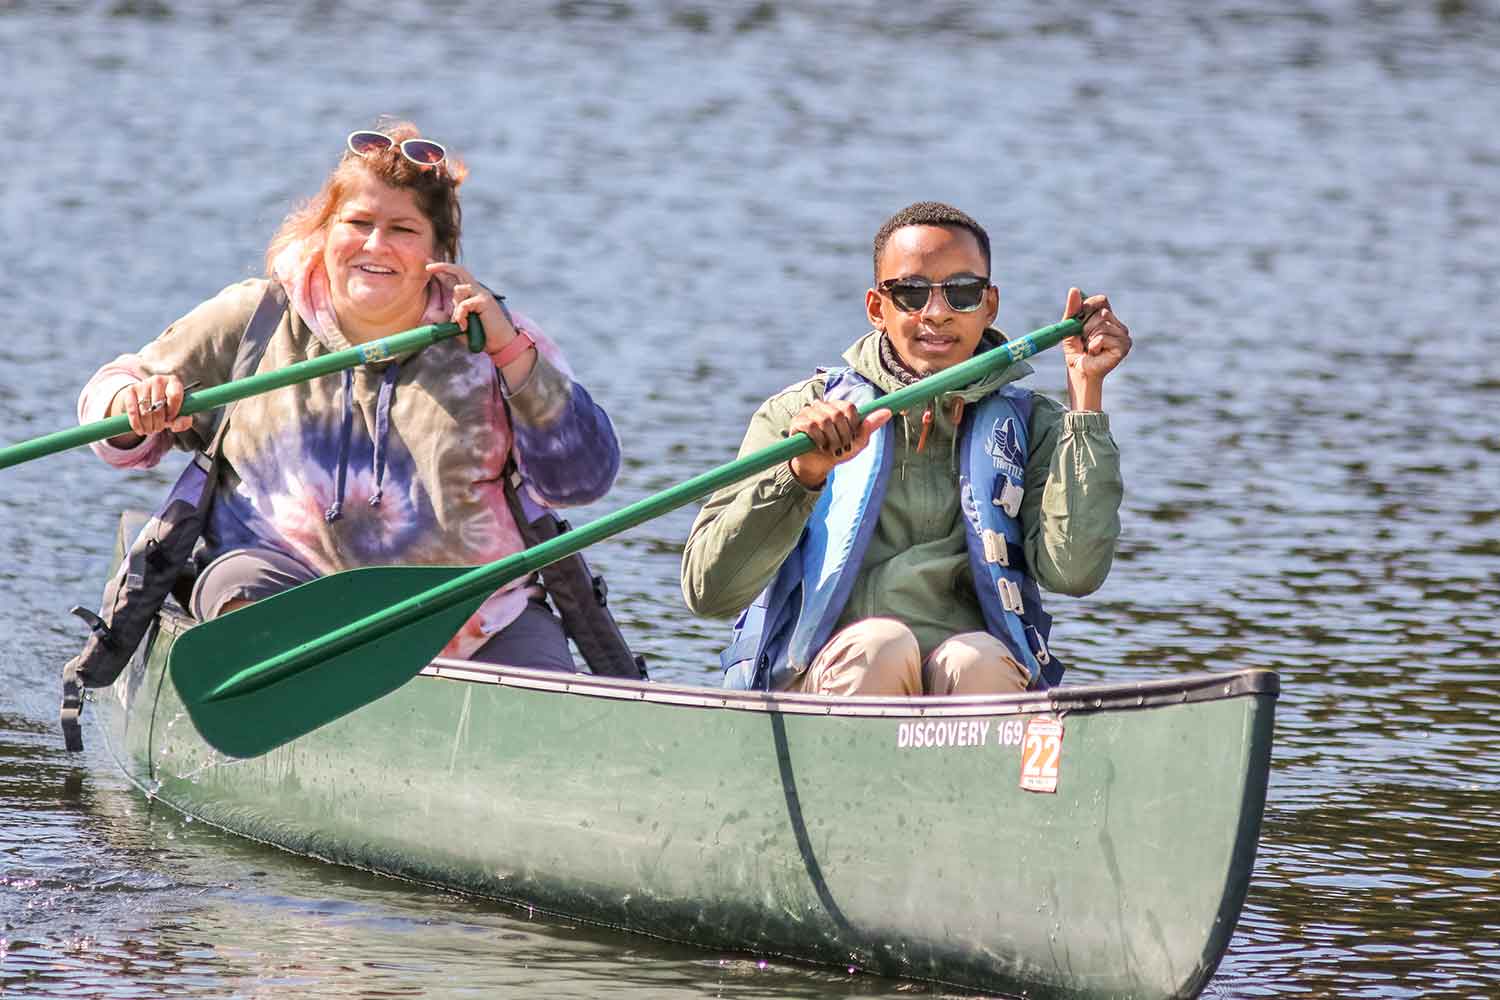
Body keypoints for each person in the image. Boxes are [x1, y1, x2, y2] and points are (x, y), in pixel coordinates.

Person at [76, 122, 620, 671]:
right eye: (358, 222)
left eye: (403, 229)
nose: (375, 245)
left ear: (440, 249)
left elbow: (582, 480)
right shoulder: (256, 318)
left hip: (476, 620)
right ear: (325, 230)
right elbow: (110, 405)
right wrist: (134, 406)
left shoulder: (497, 337)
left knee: (551, 695)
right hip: (276, 590)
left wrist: (513, 355)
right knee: (242, 596)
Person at [681, 201, 1130, 696]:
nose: (936, 313)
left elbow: (1075, 574)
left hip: (972, 674)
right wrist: (800, 472)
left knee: (977, 660)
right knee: (881, 645)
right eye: (911, 293)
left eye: (962, 292)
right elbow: (709, 593)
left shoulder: (1034, 424)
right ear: (877, 308)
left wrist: (1085, 396)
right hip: (826, 678)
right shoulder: (800, 413)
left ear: (990, 305)